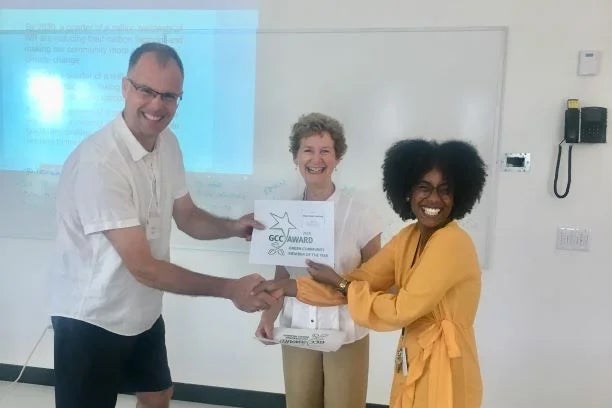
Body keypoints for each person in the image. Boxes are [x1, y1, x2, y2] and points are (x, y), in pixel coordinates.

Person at [49, 42, 277, 408]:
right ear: (125, 87)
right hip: (90, 317)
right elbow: (143, 267)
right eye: (147, 91)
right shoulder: (99, 162)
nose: (157, 105)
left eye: (169, 96)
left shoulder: (167, 143)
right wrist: (230, 288)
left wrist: (235, 227)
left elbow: (187, 216)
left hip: (141, 311)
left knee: (157, 396)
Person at [254, 139, 487, 408]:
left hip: (446, 364)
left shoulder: (452, 243)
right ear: (408, 191)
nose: (433, 199)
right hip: (412, 355)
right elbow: (360, 280)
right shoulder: (408, 237)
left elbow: (400, 309)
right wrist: (288, 288)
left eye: (445, 190)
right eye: (424, 187)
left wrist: (341, 283)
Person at [255, 113, 382, 408]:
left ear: (338, 158)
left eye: (325, 150)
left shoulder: (361, 214)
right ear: (295, 157)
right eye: (308, 150)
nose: (316, 159)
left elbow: (378, 281)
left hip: (347, 330)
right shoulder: (282, 213)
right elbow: (282, 275)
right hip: (297, 327)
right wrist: (267, 316)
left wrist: (339, 282)